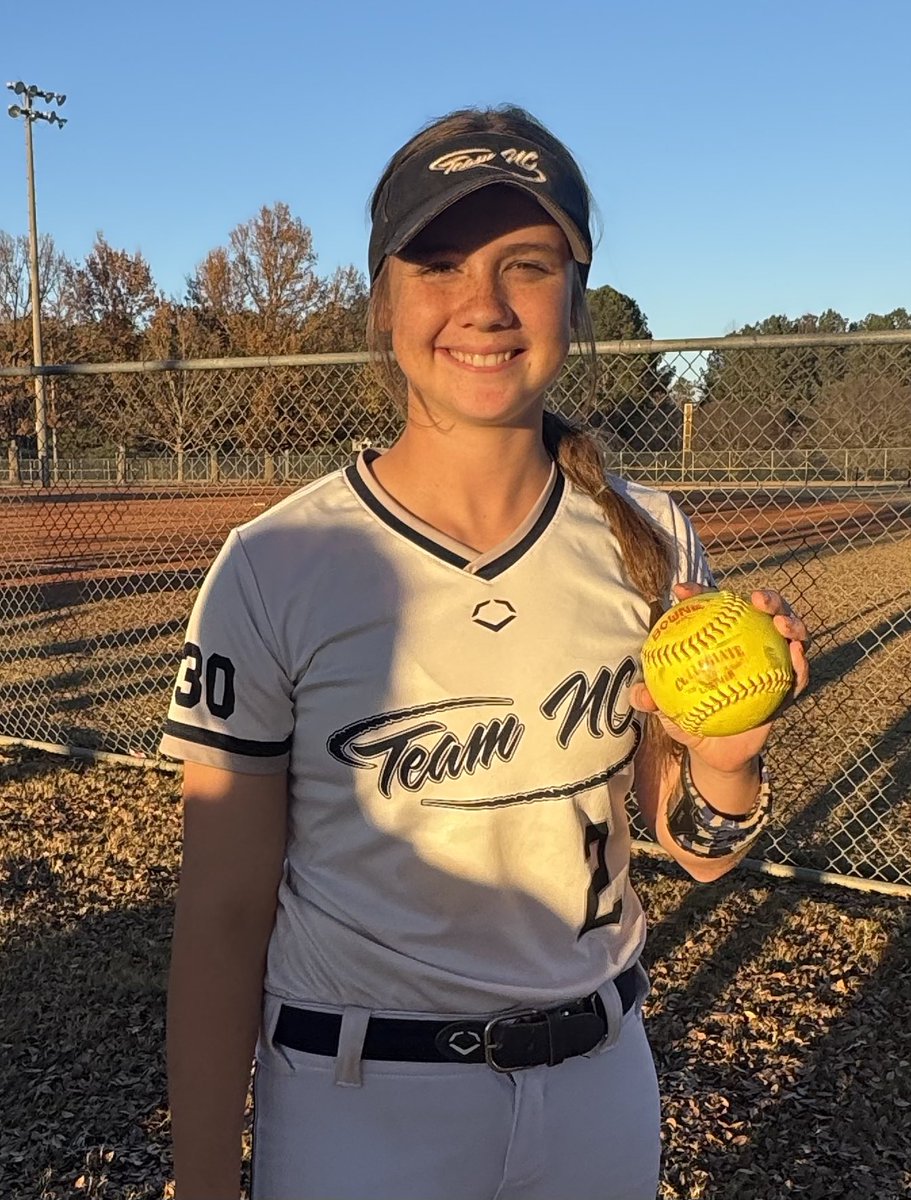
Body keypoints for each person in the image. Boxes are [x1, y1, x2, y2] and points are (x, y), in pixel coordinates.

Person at [162, 105, 810, 1200]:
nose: (484, 304)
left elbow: (696, 851)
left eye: (527, 264)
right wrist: (202, 1181)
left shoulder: (649, 538)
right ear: (384, 299)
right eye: (439, 263)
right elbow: (222, 918)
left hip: (599, 1085)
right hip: (359, 1103)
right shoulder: (276, 564)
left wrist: (726, 762)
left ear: (575, 296)